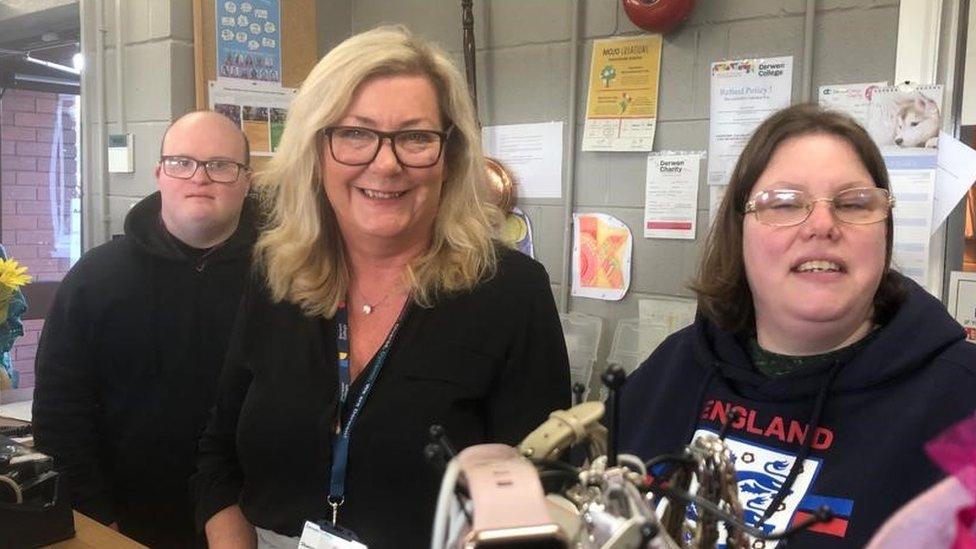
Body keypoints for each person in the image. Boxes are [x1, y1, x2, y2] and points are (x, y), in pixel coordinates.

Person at [192, 25, 571, 549]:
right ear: (316, 150)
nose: (386, 163)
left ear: (450, 156)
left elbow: (540, 491)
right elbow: (218, 451)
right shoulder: (276, 273)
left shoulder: (510, 293)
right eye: (355, 133)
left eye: (416, 136)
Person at [617, 104, 976, 548]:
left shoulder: (963, 401)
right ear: (739, 229)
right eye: (785, 203)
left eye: (853, 203)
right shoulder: (676, 365)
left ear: (885, 228)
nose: (823, 225)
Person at [32, 110, 257, 547]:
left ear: (247, 181)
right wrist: (97, 516)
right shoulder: (94, 279)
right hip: (125, 524)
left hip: (255, 525)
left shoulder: (287, 278)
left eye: (221, 166)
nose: (200, 177)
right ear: (159, 173)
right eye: (182, 162)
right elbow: (61, 413)